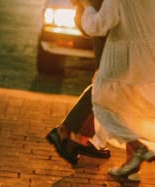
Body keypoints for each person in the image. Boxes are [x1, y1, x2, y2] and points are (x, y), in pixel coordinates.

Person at [78, 0, 155, 177]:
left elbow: (99, 25)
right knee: (133, 107)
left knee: (103, 104)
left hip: (125, 56)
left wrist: (87, 8)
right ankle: (132, 167)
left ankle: (137, 148)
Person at [46, 0, 110, 166]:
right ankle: (68, 132)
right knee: (109, 81)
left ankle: (77, 136)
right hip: (99, 16)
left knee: (109, 82)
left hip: (101, 16)